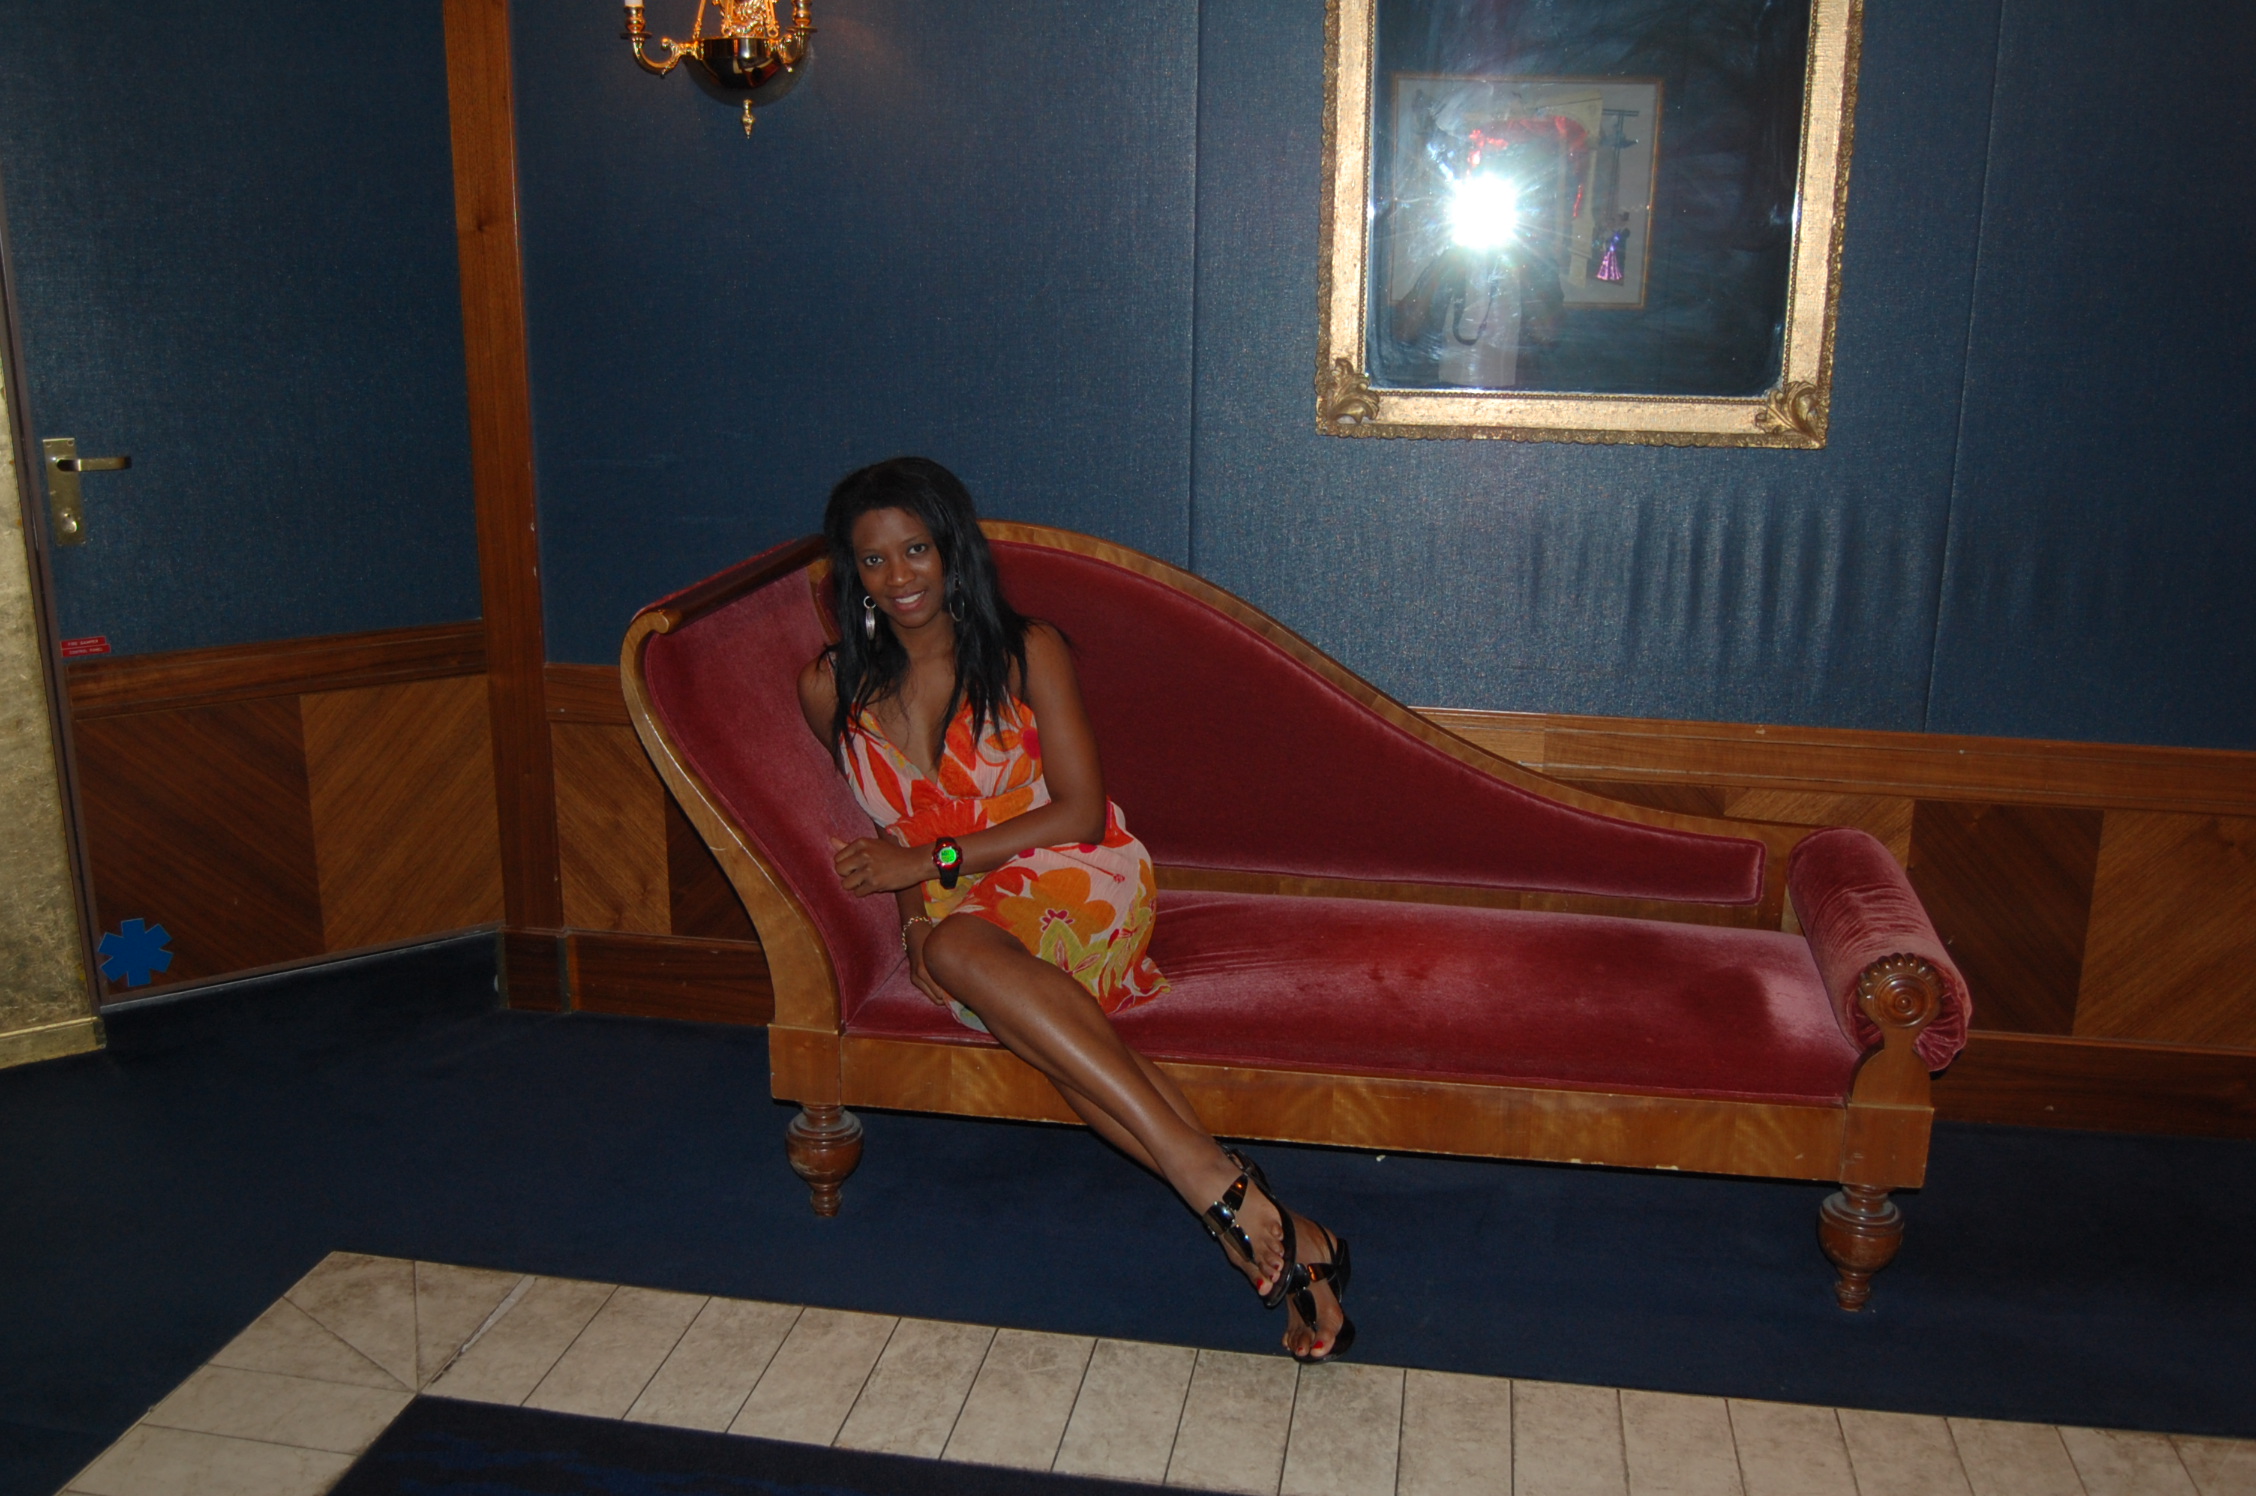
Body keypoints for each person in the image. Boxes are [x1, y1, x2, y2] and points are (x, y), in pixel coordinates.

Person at [795, 457, 1353, 1362]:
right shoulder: (831, 690)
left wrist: (929, 867)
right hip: (962, 911)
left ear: (952, 551)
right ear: (849, 573)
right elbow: (882, 824)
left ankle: (1207, 1181)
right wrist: (913, 915)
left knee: (966, 957)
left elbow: (1080, 811)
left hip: (1077, 874)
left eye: (916, 549)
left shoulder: (1026, 651)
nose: (899, 577)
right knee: (1024, 1013)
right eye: (873, 559)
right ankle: (1274, 1225)